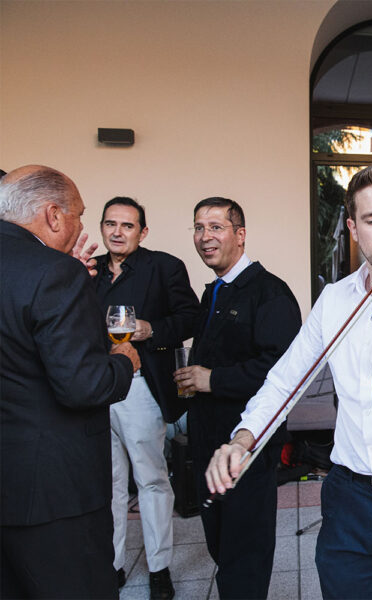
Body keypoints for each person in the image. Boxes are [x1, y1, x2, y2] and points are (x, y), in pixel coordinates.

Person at [205, 162, 372, 599]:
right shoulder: (335, 301)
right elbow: (285, 380)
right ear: (354, 228)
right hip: (348, 496)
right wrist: (243, 439)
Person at [0, 165, 140, 598]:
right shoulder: (57, 274)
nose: (81, 225)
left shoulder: (45, 269)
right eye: (79, 214)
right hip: (56, 492)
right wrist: (123, 361)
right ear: (54, 215)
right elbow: (82, 385)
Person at [173, 197, 301, 599]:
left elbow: (282, 372)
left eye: (215, 227)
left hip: (249, 447)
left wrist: (214, 380)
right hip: (207, 441)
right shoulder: (213, 292)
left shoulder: (270, 292)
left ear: (240, 235)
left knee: (245, 553)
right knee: (221, 544)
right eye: (198, 227)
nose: (205, 236)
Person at [93, 196, 200, 597]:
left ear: (143, 231)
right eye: (111, 224)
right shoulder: (88, 272)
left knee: (152, 479)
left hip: (139, 384)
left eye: (127, 225)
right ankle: (114, 564)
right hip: (94, 386)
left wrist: (151, 328)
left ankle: (159, 568)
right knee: (109, 483)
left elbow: (191, 317)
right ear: (101, 228)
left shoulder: (164, 267)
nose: (117, 232)